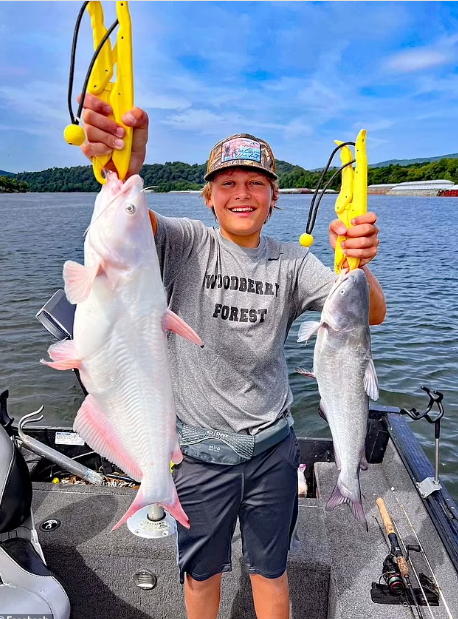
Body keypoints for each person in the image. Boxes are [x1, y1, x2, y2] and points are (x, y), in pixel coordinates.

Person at [80, 94, 386, 619]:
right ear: (208, 197)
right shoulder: (185, 243)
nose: (241, 194)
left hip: (273, 449)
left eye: (255, 184)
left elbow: (367, 316)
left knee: (272, 573)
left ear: (273, 198)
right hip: (198, 456)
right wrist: (120, 168)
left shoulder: (293, 262)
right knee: (201, 577)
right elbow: (127, 225)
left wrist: (358, 265)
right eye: (227, 183)